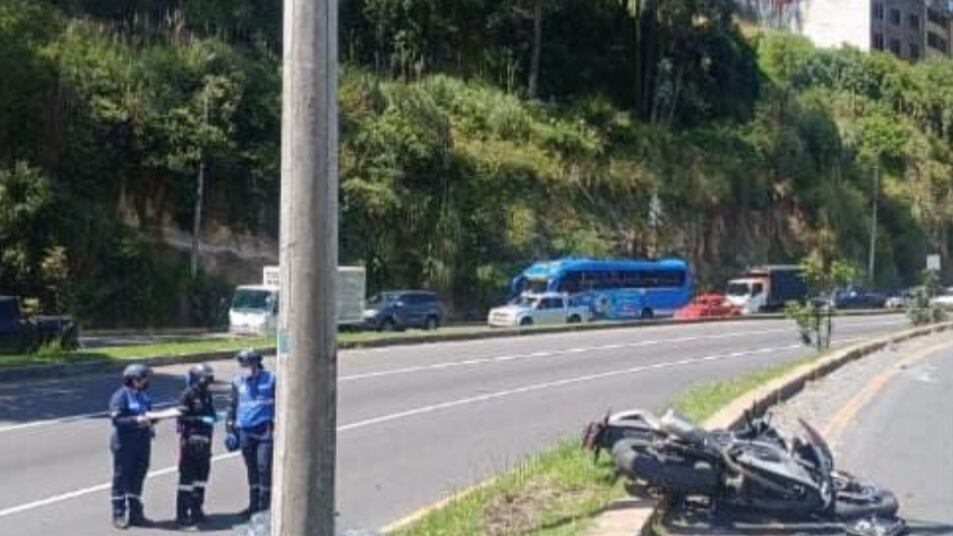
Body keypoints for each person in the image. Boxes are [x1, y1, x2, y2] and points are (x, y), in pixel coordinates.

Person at [226, 349, 276, 518]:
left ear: (255, 364)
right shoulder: (238, 382)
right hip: (245, 431)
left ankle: (265, 506)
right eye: (242, 365)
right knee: (251, 468)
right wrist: (230, 431)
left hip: (264, 430)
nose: (244, 368)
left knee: (264, 467)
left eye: (246, 364)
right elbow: (232, 407)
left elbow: (282, 402)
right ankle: (254, 505)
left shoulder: (271, 379)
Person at [109, 363, 154, 529]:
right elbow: (117, 420)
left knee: (138, 475)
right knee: (122, 478)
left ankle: (136, 513)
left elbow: (147, 413)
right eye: (144, 378)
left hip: (142, 441)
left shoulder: (143, 396)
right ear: (133, 379)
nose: (146, 382)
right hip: (125, 443)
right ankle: (118, 513)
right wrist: (136, 420)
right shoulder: (121, 396)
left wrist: (153, 420)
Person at [175, 363, 217, 527]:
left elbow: (211, 413)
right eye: (205, 380)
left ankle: (197, 510)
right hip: (190, 442)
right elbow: (181, 418)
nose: (207, 383)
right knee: (187, 480)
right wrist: (199, 419)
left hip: (205, 442)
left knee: (201, 479)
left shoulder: (207, 394)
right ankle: (182, 514)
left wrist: (213, 417)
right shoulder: (187, 395)